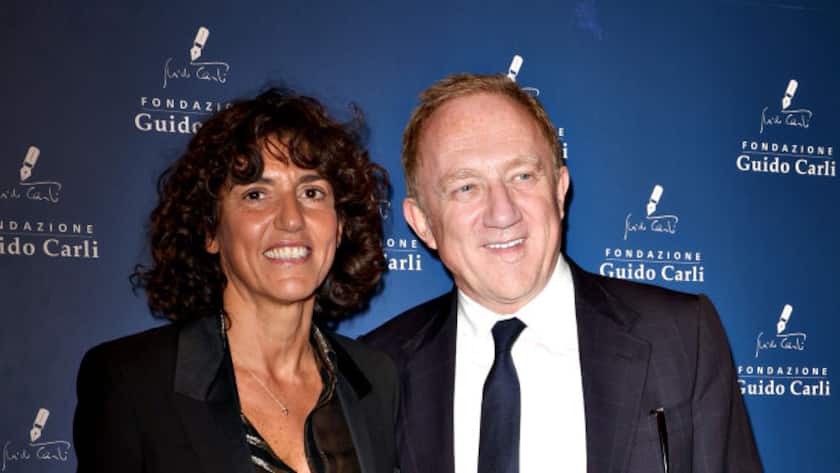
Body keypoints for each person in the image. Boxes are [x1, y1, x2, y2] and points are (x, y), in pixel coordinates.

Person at [362, 74, 762, 473]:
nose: (503, 213)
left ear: (559, 189)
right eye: (466, 187)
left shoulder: (680, 337)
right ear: (422, 222)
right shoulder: (376, 372)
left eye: (522, 176)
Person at [74, 88, 398, 473]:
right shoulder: (133, 382)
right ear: (210, 230)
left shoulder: (375, 380)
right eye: (256, 194)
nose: (291, 219)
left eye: (311, 192)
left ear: (340, 226)